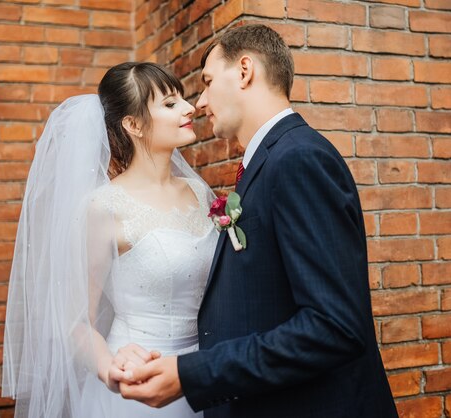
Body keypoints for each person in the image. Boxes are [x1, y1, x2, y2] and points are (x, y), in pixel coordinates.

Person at [118, 24, 399, 418]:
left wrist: (194, 373)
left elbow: (334, 327)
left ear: (245, 70)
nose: (199, 103)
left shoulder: (299, 160)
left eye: (208, 82)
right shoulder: (268, 160)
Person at [1, 62, 218, 417]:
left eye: (182, 99)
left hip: (205, 375)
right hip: (139, 382)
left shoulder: (200, 192)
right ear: (132, 125)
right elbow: (76, 321)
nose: (189, 108)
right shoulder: (103, 207)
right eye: (169, 104)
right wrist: (110, 367)